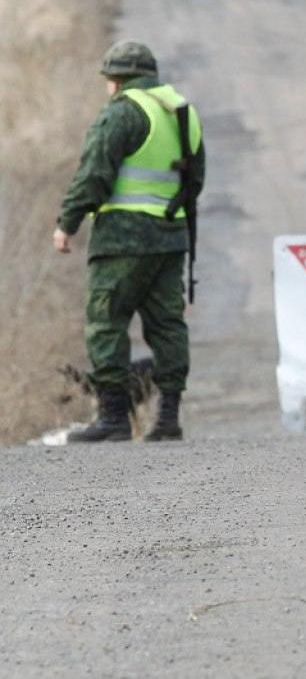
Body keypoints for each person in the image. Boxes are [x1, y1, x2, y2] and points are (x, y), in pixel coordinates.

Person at [54, 40, 204, 442]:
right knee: (167, 326)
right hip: (170, 240)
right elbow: (195, 181)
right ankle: (168, 417)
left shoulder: (122, 113)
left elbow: (94, 176)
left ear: (116, 81)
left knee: (107, 323)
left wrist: (67, 223)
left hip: (123, 240)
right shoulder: (182, 114)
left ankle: (114, 418)